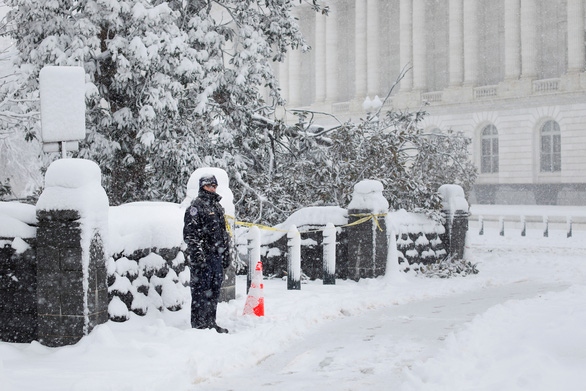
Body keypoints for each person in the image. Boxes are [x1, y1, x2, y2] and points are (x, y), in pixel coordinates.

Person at [183, 174, 231, 333]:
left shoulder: (217, 207)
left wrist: (225, 253)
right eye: (210, 185)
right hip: (203, 258)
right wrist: (198, 256)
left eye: (215, 186)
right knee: (201, 292)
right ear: (202, 186)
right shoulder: (196, 207)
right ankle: (199, 326)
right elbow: (191, 234)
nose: (213, 188)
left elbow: (223, 233)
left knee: (214, 291)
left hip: (216, 256)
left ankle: (211, 323)